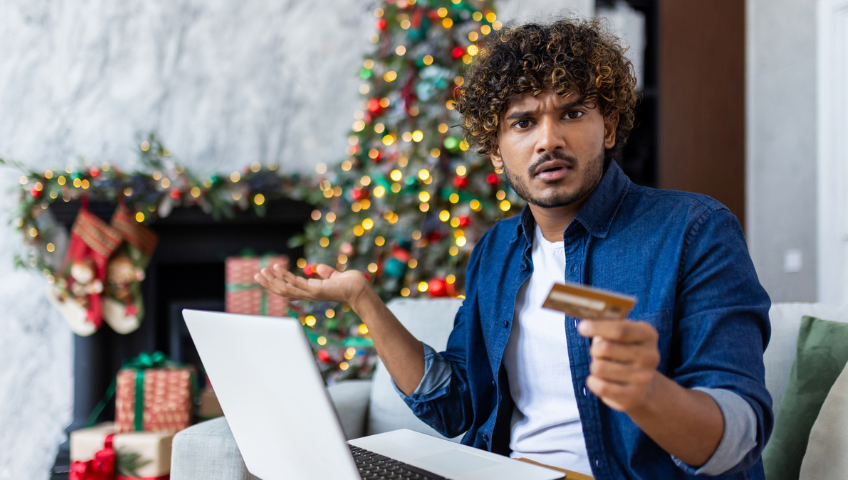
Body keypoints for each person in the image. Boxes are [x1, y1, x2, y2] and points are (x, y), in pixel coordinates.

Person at [255, 17, 772, 479]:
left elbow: (740, 438)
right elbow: (454, 403)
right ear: (497, 155)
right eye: (523, 122)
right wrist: (362, 300)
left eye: (571, 114)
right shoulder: (497, 250)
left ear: (609, 127)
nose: (548, 139)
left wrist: (647, 394)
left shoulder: (693, 229)